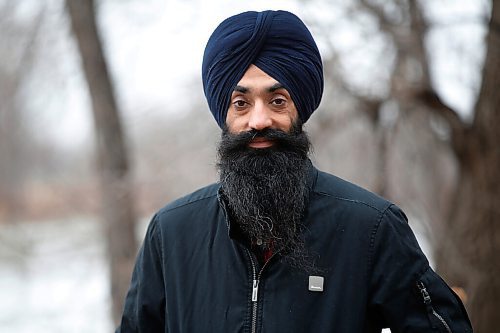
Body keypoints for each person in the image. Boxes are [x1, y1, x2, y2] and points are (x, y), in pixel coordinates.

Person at [117, 10, 472, 332]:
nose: (259, 120)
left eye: (277, 101)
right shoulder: (171, 233)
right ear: (224, 114)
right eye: (241, 103)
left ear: (299, 109)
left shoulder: (372, 228)